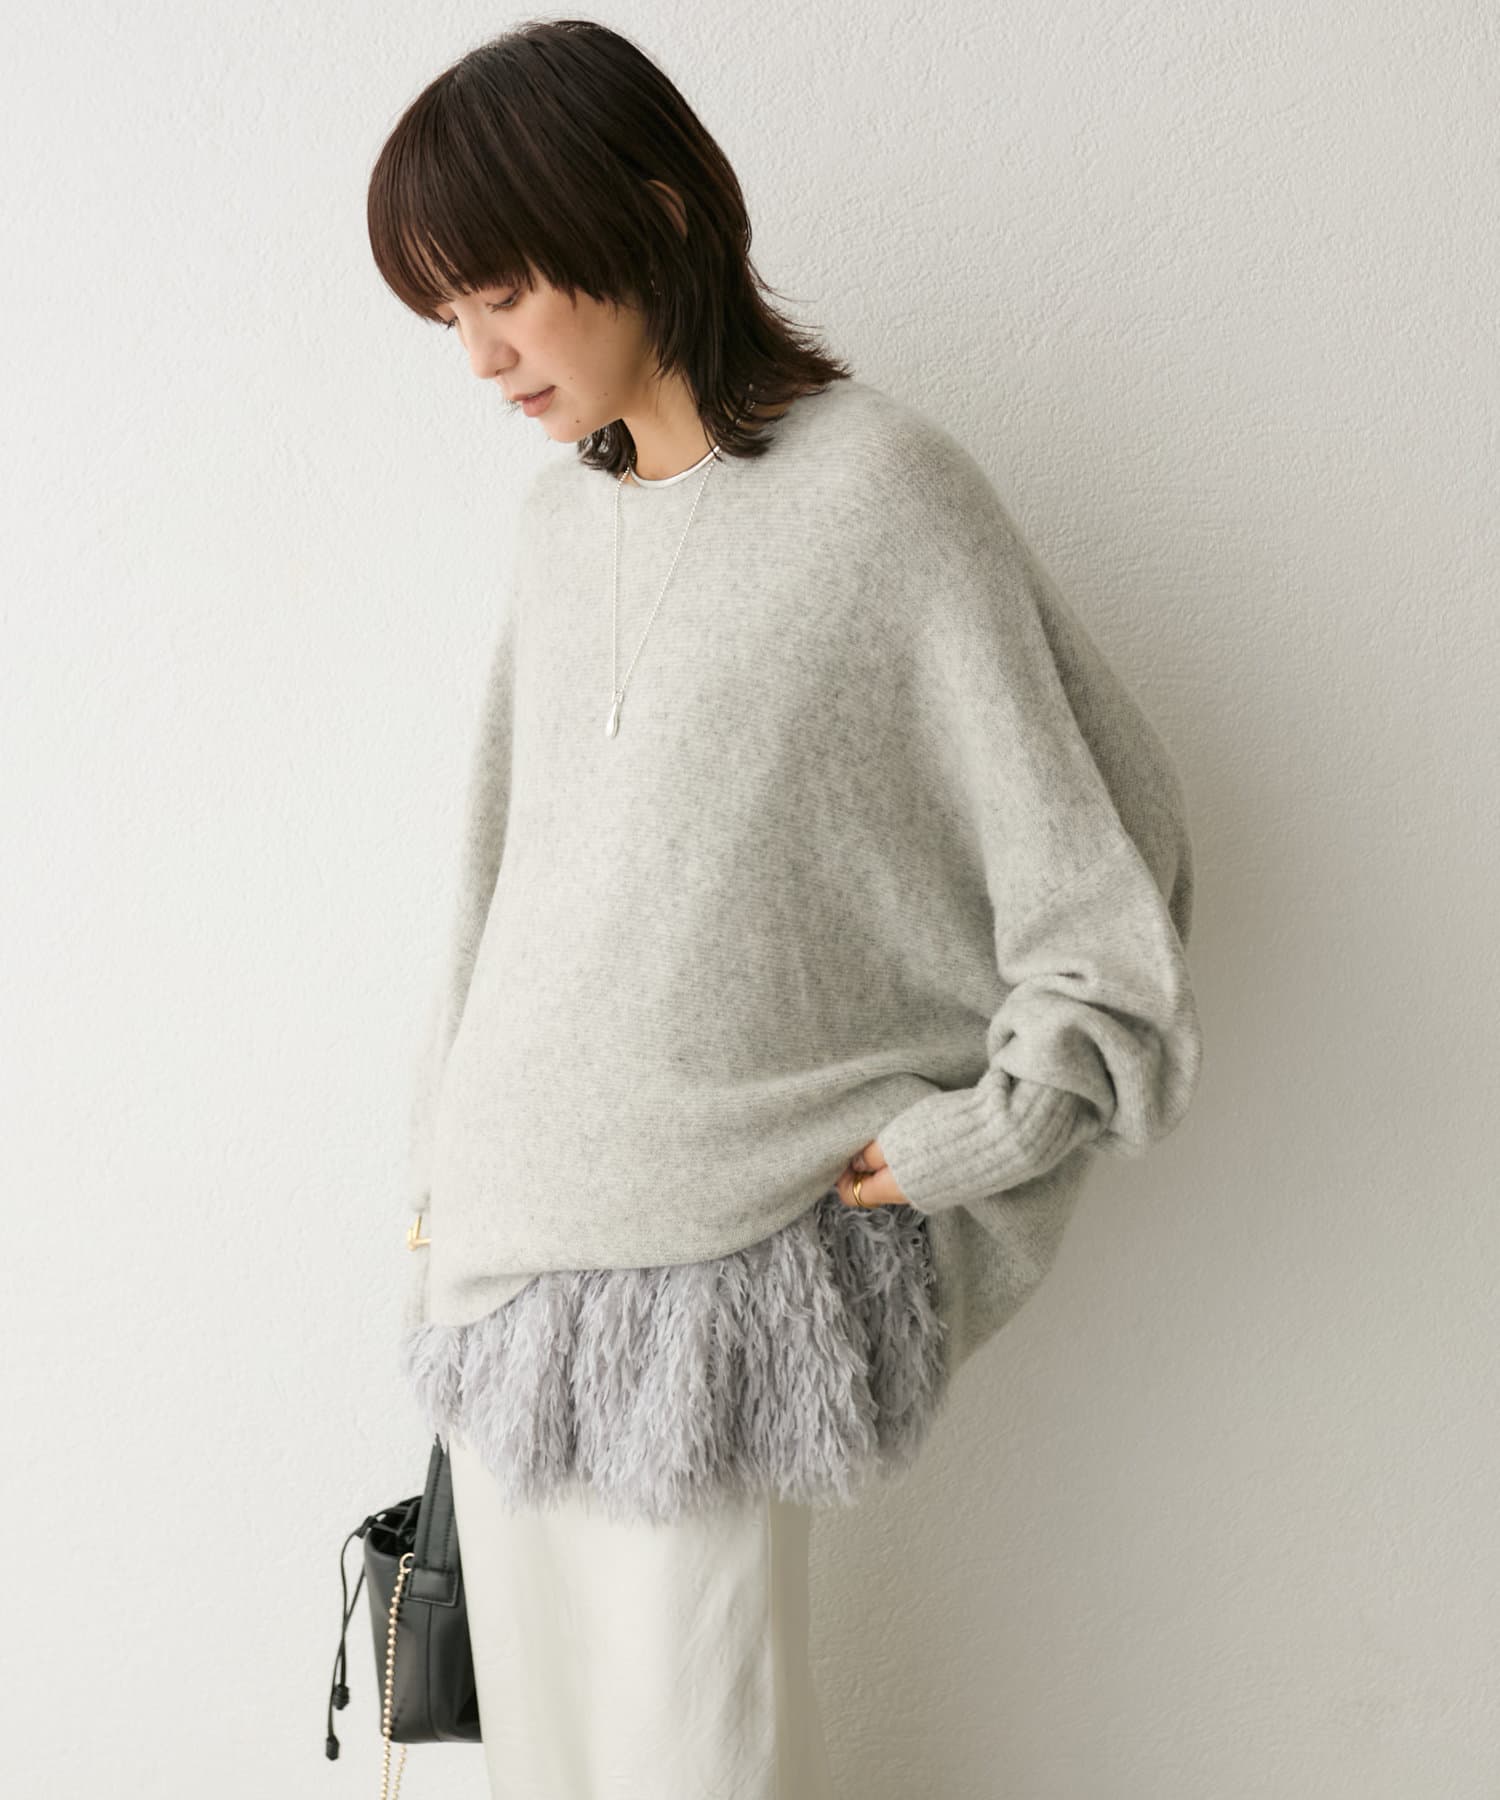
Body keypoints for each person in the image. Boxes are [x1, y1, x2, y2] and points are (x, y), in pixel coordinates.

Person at [367, 19, 1204, 1800]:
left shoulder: (882, 493)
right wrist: (435, 1188)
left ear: (656, 215)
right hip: (503, 1265)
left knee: (706, 1762)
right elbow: (492, 881)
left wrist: (994, 1127)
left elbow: (1109, 858)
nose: (480, 354)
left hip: (721, 1282)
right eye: (447, 313)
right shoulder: (553, 527)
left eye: (503, 293)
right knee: (539, 1779)